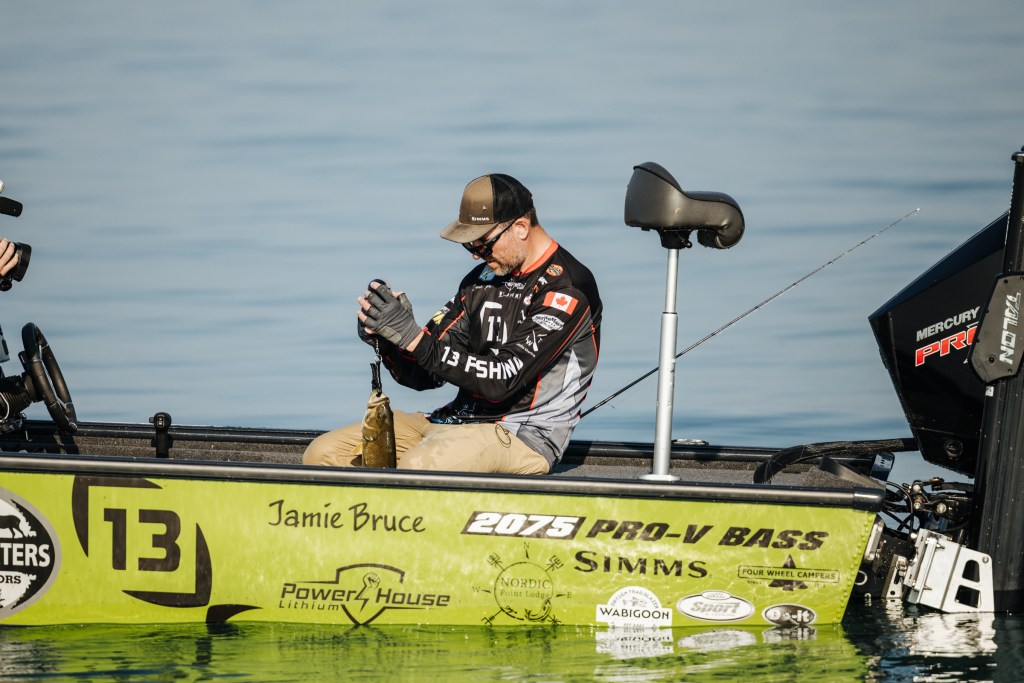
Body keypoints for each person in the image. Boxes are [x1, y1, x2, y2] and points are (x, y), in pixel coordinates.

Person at [303, 173, 602, 474]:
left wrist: (413, 338)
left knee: (418, 466)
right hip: (451, 422)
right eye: (470, 246)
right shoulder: (479, 281)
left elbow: (502, 379)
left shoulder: (567, 289)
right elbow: (425, 375)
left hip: (522, 436)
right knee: (321, 454)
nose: (476, 256)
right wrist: (388, 339)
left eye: (484, 245)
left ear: (521, 228)